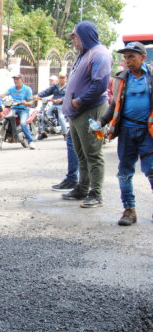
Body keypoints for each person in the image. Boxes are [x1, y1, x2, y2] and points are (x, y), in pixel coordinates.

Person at [99, 42, 152, 225]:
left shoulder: (151, 76)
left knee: (151, 170)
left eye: (132, 57)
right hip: (127, 132)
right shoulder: (121, 79)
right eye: (126, 57)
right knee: (124, 173)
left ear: (142, 58)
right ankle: (129, 211)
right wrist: (101, 122)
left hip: (148, 131)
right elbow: (114, 105)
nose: (128, 61)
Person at [61, 21, 112, 208]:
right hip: (77, 114)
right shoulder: (84, 55)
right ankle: (82, 187)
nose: (73, 41)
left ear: (84, 35)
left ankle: (96, 194)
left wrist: (80, 100)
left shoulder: (100, 54)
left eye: (75, 37)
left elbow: (100, 85)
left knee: (93, 154)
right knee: (81, 153)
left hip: (91, 111)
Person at [2, 74, 36, 150]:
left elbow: (31, 102)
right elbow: (3, 95)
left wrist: (25, 103)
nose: (15, 80)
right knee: (4, 118)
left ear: (22, 80)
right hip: (13, 108)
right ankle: (9, 135)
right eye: (14, 79)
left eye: (17, 79)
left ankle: (31, 141)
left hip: (23, 110)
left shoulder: (27, 89)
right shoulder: (11, 89)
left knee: (23, 123)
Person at [36, 72, 69, 139]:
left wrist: (62, 99)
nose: (61, 79)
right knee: (43, 115)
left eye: (63, 78)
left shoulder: (69, 87)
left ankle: (65, 133)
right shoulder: (55, 86)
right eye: (60, 78)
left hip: (63, 105)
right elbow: (46, 92)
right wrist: (37, 95)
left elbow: (69, 95)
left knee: (61, 117)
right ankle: (43, 132)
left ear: (66, 78)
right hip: (54, 104)